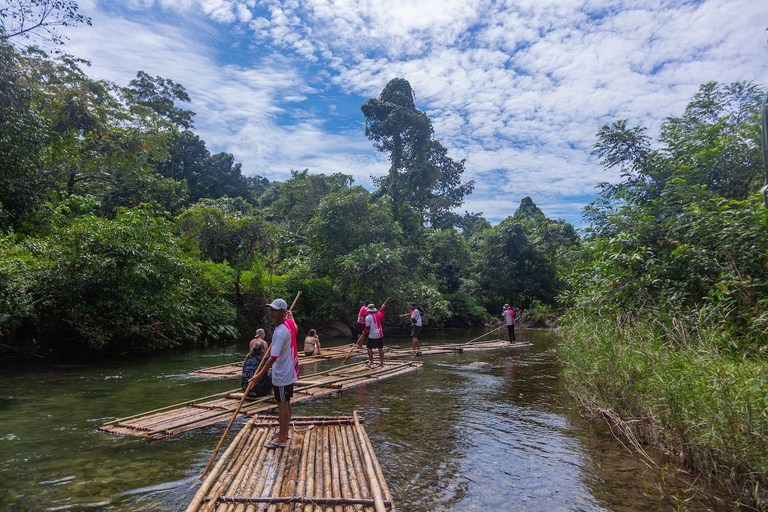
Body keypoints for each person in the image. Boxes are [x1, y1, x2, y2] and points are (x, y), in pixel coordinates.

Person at [250, 298, 299, 449]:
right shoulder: (288, 323)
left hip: (283, 372)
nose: (271, 312)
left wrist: (259, 376)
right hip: (290, 368)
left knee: (282, 404)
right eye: (270, 309)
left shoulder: (280, 332)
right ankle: (284, 432)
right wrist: (292, 318)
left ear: (283, 312)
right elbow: (296, 329)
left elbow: (272, 358)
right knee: (286, 402)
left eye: (275, 310)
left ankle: (282, 439)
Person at [241, 332, 271, 397]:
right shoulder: (264, 358)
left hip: (246, 390)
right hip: (259, 391)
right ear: (262, 349)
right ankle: (271, 392)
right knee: (272, 372)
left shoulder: (248, 358)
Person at [362, 302, 385, 368]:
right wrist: (383, 309)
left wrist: (364, 332)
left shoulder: (368, 317)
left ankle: (371, 361)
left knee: (369, 347)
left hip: (373, 334)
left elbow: (368, 327)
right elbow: (382, 315)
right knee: (380, 347)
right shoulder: (379, 314)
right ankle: (381, 362)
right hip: (380, 333)